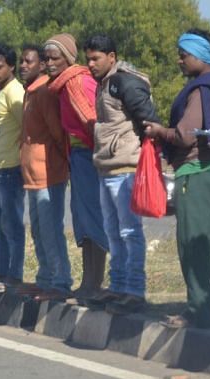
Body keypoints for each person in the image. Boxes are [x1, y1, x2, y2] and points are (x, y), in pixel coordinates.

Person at [143, 29, 210, 330]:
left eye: (183, 54)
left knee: (192, 242)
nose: (179, 60)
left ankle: (198, 309)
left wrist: (159, 131)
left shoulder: (201, 89)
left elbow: (186, 136)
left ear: (199, 55)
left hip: (196, 171)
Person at [86, 34, 159, 314]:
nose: (91, 64)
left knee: (130, 232)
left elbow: (148, 120)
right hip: (106, 167)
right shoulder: (103, 84)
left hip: (126, 169)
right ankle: (117, 288)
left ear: (112, 57)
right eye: (88, 59)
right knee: (112, 232)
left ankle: (134, 291)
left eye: (96, 58)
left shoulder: (123, 81)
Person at [45, 33, 110, 301]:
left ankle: (94, 284)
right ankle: (87, 282)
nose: (49, 63)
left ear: (68, 59)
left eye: (54, 58)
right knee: (83, 221)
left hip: (90, 157)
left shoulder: (76, 83)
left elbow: (93, 122)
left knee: (93, 219)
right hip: (79, 157)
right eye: (46, 58)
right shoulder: (63, 85)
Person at [20, 44, 73, 301]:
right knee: (38, 229)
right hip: (31, 174)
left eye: (28, 62)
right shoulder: (29, 92)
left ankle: (60, 281)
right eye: (21, 61)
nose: (22, 66)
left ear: (41, 65)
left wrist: (61, 162)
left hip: (48, 171)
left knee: (51, 229)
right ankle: (44, 278)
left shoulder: (44, 92)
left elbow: (56, 132)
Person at [0, 43, 26, 293]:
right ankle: (2, 268)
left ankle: (14, 273)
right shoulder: (1, 90)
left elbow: (26, 126)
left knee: (11, 223)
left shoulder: (14, 92)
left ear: (11, 66)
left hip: (12, 167)